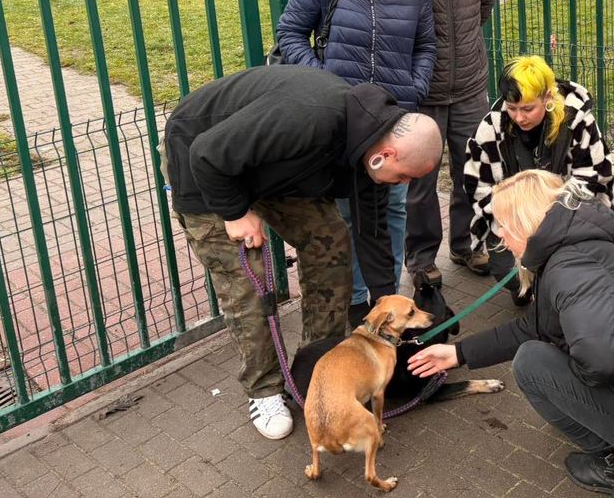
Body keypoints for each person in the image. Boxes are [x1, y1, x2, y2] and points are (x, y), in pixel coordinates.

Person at [162, 65, 442, 440]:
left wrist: (384, 308)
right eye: (405, 176)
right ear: (385, 155)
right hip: (206, 166)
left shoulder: (369, 154)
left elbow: (372, 234)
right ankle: (263, 389)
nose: (405, 184)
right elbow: (207, 153)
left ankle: (317, 363)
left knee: (330, 241)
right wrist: (236, 213)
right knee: (248, 281)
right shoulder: (309, 118)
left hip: (272, 169)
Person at [408, 171, 614, 497]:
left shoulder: (568, 270)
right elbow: (538, 326)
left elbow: (603, 362)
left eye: (503, 223)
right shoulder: (584, 244)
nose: (500, 235)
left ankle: (611, 464)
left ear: (525, 221)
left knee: (532, 363)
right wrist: (459, 353)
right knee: (555, 345)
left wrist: (568, 367)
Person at [275, 0, 436, 327]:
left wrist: (413, 90)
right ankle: (356, 299)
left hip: (392, 120)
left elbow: (426, 45)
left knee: (394, 207)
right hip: (340, 123)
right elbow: (290, 33)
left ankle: (388, 297)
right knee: (346, 213)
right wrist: (326, 88)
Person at [404, 0, 497, 288]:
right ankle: (421, 258)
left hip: (471, 86)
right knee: (419, 183)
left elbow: (484, 6)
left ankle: (468, 243)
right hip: (420, 92)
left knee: (472, 172)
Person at [464, 55, 614, 305]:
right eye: (511, 108)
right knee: (507, 273)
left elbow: (594, 175)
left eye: (527, 109)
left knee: (565, 274)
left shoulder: (577, 121)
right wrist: (514, 217)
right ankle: (524, 287)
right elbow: (477, 186)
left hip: (566, 218)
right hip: (514, 220)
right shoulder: (491, 128)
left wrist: (546, 215)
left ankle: (558, 296)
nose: (519, 117)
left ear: (547, 98)